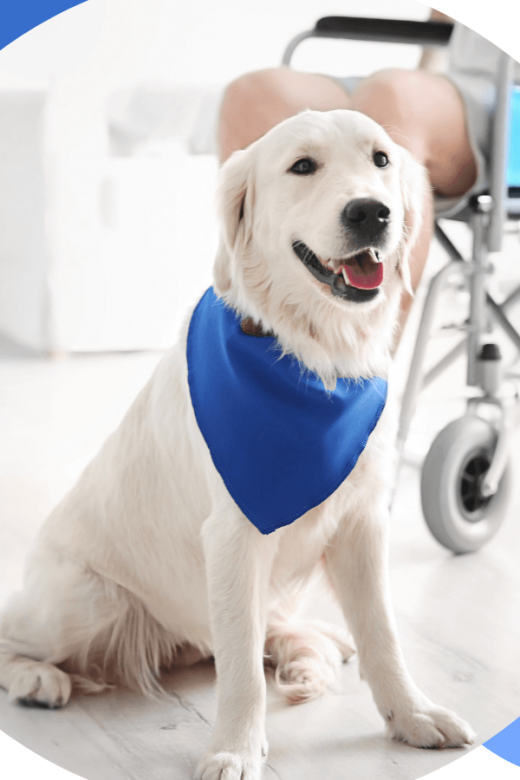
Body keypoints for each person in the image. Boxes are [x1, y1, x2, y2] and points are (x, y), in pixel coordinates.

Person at [216, 9, 509, 327]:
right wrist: (423, 79)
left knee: (393, 96)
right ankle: (246, 338)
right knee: (254, 94)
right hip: (454, 81)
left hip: (511, 91)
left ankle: (370, 370)